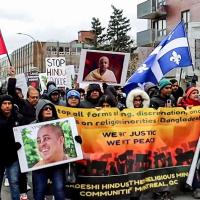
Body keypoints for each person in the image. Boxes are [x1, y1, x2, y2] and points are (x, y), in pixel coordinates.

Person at [0, 95, 25, 200]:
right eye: (4, 104)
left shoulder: (18, 118)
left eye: (9, 103)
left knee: (14, 182)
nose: (7, 106)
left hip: (13, 157)